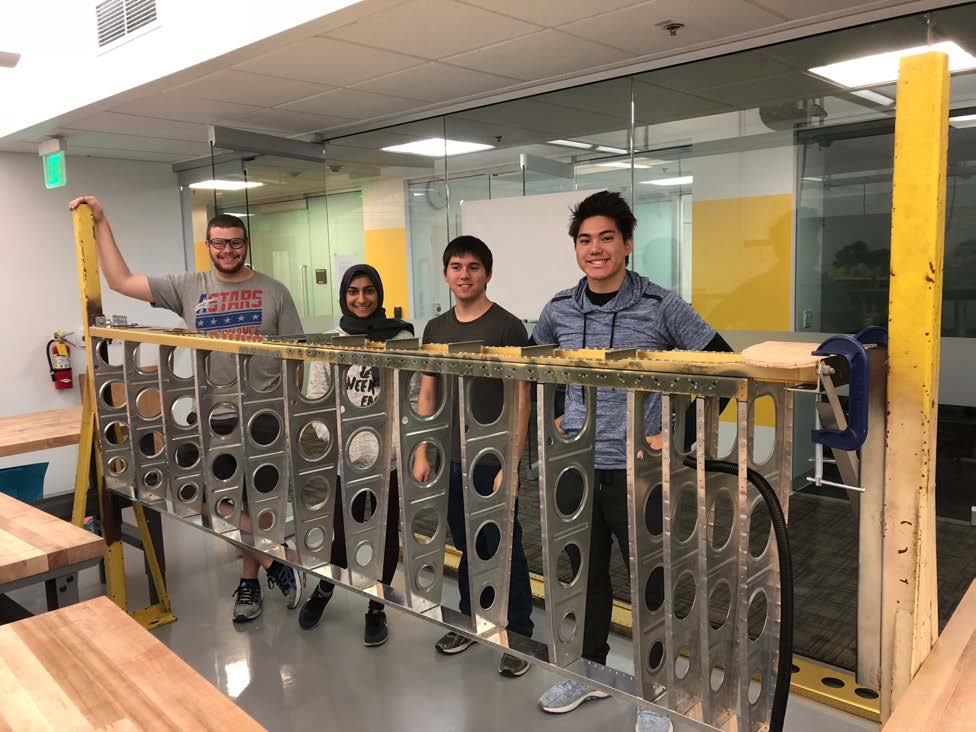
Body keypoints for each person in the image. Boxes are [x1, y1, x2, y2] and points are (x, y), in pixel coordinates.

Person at [530, 191, 732, 732]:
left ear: (626, 244)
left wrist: (677, 435)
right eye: (584, 240)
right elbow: (538, 365)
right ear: (576, 248)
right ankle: (588, 673)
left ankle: (654, 692)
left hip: (639, 473)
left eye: (606, 238)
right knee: (586, 575)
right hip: (576, 467)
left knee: (650, 581)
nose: (595, 249)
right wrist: (554, 416)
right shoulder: (559, 309)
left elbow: (721, 366)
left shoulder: (661, 305)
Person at [67, 195, 305, 625]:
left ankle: (250, 582)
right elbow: (120, 280)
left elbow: (296, 356)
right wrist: (102, 221)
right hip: (211, 415)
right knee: (209, 499)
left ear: (246, 244)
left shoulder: (275, 291)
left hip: (266, 417)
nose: (227, 250)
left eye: (235, 243)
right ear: (208, 244)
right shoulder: (188, 286)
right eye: (219, 243)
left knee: (262, 505)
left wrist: (292, 411)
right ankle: (278, 562)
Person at [411, 235, 535, 678]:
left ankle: (517, 633)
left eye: (474, 267)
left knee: (503, 546)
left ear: (488, 273)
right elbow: (428, 391)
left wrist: (511, 465)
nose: (465, 275)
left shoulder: (507, 327)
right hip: (451, 457)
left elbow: (521, 401)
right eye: (457, 267)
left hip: (490, 459)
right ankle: (469, 622)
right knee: (464, 544)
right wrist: (423, 447)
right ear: (446, 274)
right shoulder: (436, 329)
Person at [298, 264, 413, 646]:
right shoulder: (331, 340)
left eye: (368, 291)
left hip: (388, 460)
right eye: (353, 291)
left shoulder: (400, 338)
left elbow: (409, 399)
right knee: (342, 533)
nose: (361, 299)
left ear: (379, 294)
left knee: (384, 535)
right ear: (343, 295)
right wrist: (339, 442)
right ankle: (327, 589)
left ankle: (376, 606)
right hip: (345, 460)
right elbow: (317, 396)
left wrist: (394, 447)